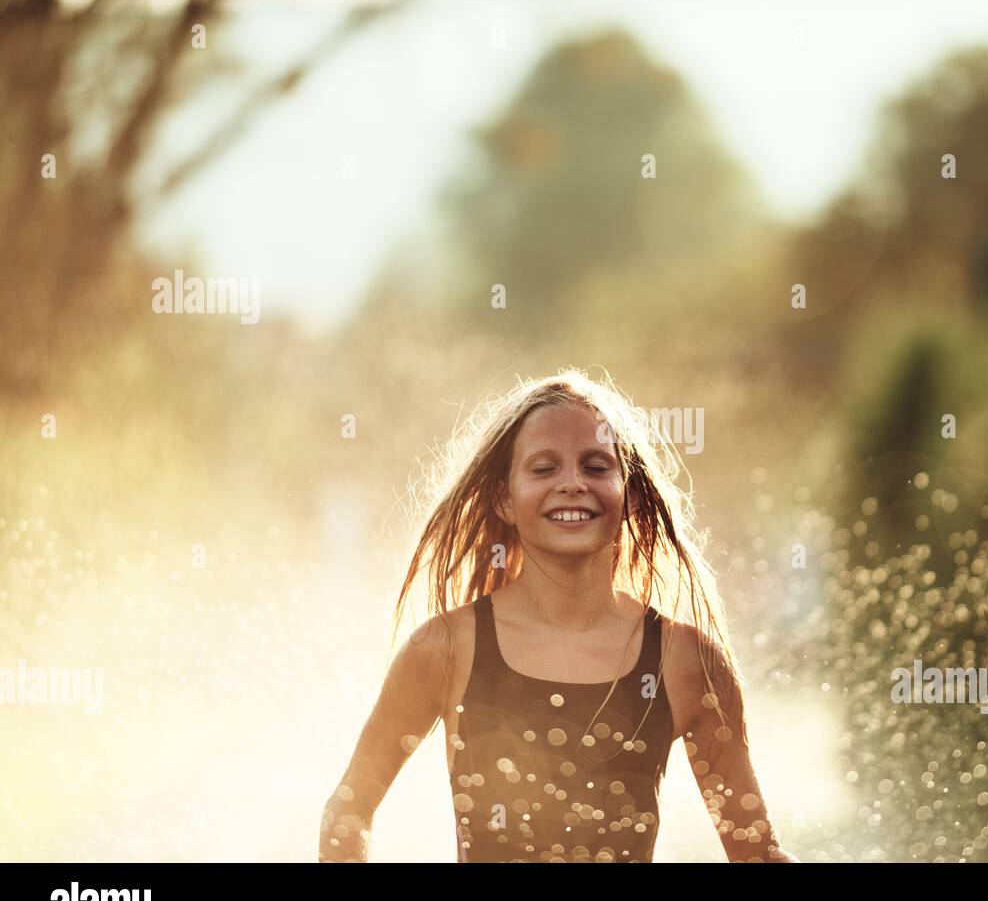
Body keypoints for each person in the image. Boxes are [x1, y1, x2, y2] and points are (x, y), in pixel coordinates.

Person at [319, 369, 797, 863]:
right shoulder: (445, 649)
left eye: (596, 466)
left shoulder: (685, 660)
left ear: (630, 494)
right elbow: (349, 812)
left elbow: (756, 854)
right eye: (544, 468)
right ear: (503, 498)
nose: (572, 483)